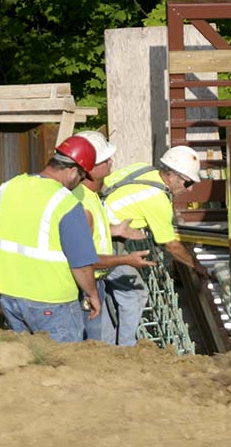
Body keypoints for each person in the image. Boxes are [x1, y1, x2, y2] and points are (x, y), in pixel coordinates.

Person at [0, 135, 101, 343]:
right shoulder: (65, 203)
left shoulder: (8, 189)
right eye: (83, 177)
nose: (80, 183)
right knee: (64, 364)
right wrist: (92, 295)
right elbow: (80, 264)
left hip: (9, 294)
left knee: (29, 362)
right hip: (52, 301)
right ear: (74, 171)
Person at [100, 145, 209, 346]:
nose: (190, 189)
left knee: (108, 292)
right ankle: (126, 349)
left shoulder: (143, 169)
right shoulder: (157, 199)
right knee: (135, 294)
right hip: (105, 243)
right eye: (188, 182)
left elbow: (106, 183)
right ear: (172, 176)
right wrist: (197, 266)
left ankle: (105, 344)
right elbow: (171, 246)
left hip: (99, 227)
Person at [71, 130, 155, 341]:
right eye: (104, 159)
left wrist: (114, 230)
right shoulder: (81, 203)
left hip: (95, 282)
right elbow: (82, 259)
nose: (111, 161)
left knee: (104, 346)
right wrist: (126, 260)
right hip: (85, 285)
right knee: (97, 347)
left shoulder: (89, 195)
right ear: (88, 167)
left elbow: (86, 233)